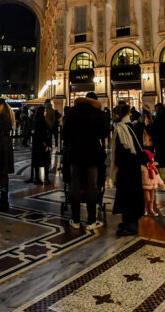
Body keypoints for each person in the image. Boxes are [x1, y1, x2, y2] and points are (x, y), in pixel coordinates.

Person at [62, 92, 107, 229]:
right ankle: (91, 221)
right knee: (91, 186)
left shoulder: (71, 112)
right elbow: (104, 133)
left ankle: (75, 220)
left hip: (75, 153)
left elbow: (64, 134)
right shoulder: (98, 113)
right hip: (92, 153)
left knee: (75, 184)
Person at [111, 104, 146, 236]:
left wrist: (117, 163)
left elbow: (124, 150)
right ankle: (128, 222)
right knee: (130, 194)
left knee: (128, 195)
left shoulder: (122, 129)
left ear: (119, 115)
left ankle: (131, 225)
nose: (113, 116)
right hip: (132, 167)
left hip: (127, 168)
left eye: (115, 114)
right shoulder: (128, 126)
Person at [31, 106, 52, 185]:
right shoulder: (42, 122)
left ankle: (37, 178)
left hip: (36, 145)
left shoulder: (35, 121)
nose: (46, 112)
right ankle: (46, 179)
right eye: (45, 111)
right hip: (42, 145)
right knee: (46, 162)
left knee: (37, 162)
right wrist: (46, 145)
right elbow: (44, 135)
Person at [142, 150, 164, 216]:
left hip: (153, 186)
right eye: (151, 158)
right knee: (147, 199)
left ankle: (151, 210)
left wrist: (161, 183)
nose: (152, 159)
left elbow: (157, 176)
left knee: (151, 199)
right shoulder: (142, 167)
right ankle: (145, 209)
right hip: (145, 186)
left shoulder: (153, 167)